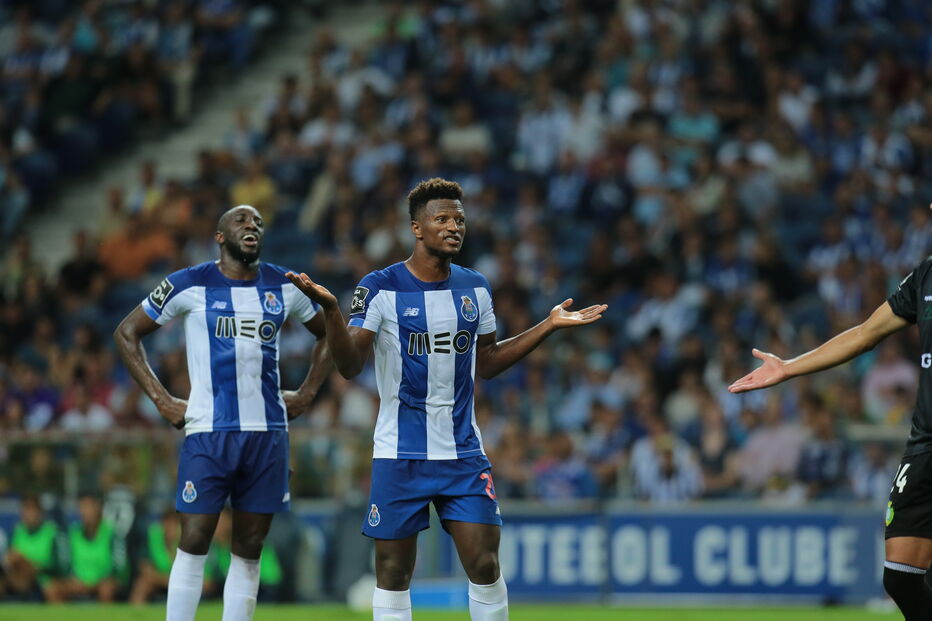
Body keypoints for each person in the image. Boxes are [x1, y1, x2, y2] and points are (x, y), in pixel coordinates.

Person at [285, 178, 607, 621]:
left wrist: (547, 325)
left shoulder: (475, 287)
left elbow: (488, 361)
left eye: (459, 219)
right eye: (442, 219)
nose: (454, 227)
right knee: (393, 574)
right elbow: (349, 364)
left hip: (462, 452)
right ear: (417, 228)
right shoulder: (380, 287)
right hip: (400, 453)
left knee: (485, 564)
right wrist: (333, 313)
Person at [114, 204, 332, 621]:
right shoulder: (189, 283)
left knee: (249, 549)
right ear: (220, 236)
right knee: (194, 540)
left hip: (268, 434)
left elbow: (329, 333)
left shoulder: (284, 285)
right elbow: (126, 333)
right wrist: (160, 399)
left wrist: (307, 393)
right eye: (241, 221)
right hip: (209, 433)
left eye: (258, 223)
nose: (252, 226)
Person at [729, 216, 932, 621]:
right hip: (927, 442)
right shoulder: (927, 275)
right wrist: (789, 367)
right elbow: (864, 333)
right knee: (901, 577)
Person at [1, 494, 63, 601]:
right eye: (26, 509)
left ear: (40, 512)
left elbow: (56, 566)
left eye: (33, 509)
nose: (30, 513)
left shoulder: (51, 532)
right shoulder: (17, 532)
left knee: (52, 589)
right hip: (18, 578)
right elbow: (8, 560)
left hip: (42, 579)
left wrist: (28, 563)